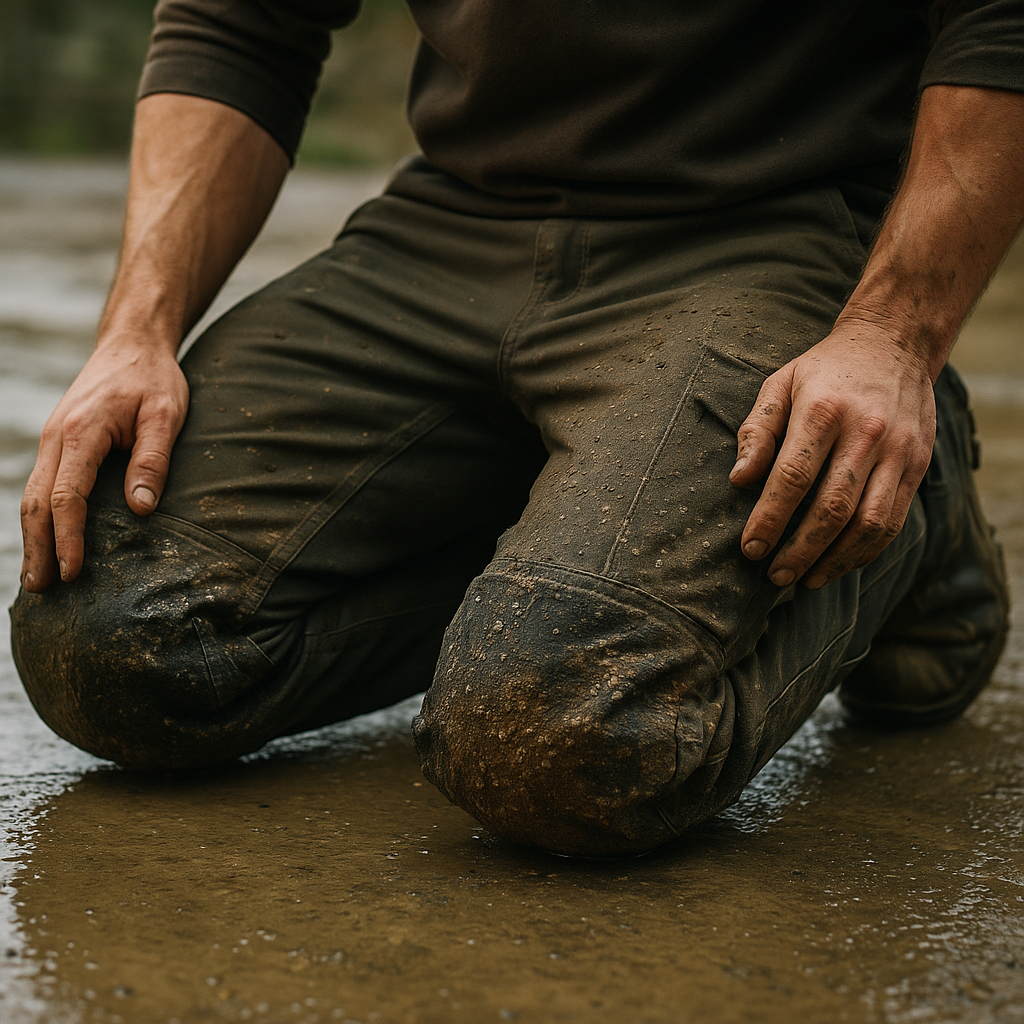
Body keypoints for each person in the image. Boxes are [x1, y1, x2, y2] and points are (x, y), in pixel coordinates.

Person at [10, 0, 1023, 857]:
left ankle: (905, 485)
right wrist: (134, 331)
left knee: (559, 728)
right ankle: (577, 510)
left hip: (765, 229)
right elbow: (240, 20)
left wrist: (893, 339)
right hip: (453, 224)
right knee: (101, 640)